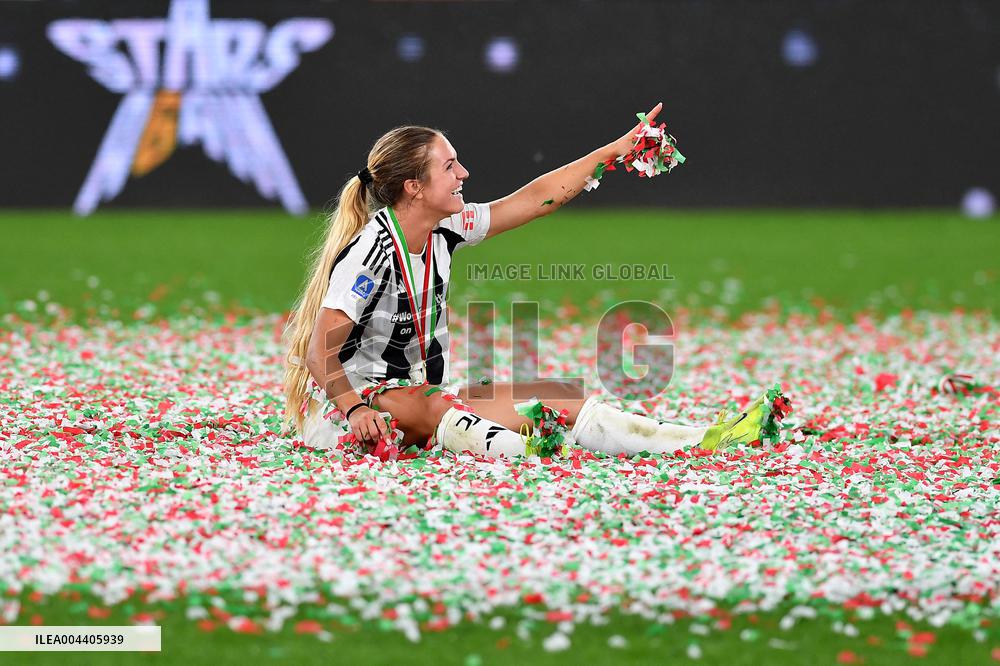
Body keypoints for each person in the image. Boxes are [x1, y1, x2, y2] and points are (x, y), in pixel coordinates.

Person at [283, 103, 784, 458]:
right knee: (439, 405)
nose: (464, 173)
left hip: (417, 397)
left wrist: (613, 150)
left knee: (558, 395)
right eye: (449, 165)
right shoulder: (370, 252)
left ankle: (703, 438)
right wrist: (351, 409)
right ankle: (530, 454)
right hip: (350, 411)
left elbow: (532, 199)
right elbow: (318, 352)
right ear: (413, 188)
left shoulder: (445, 228)